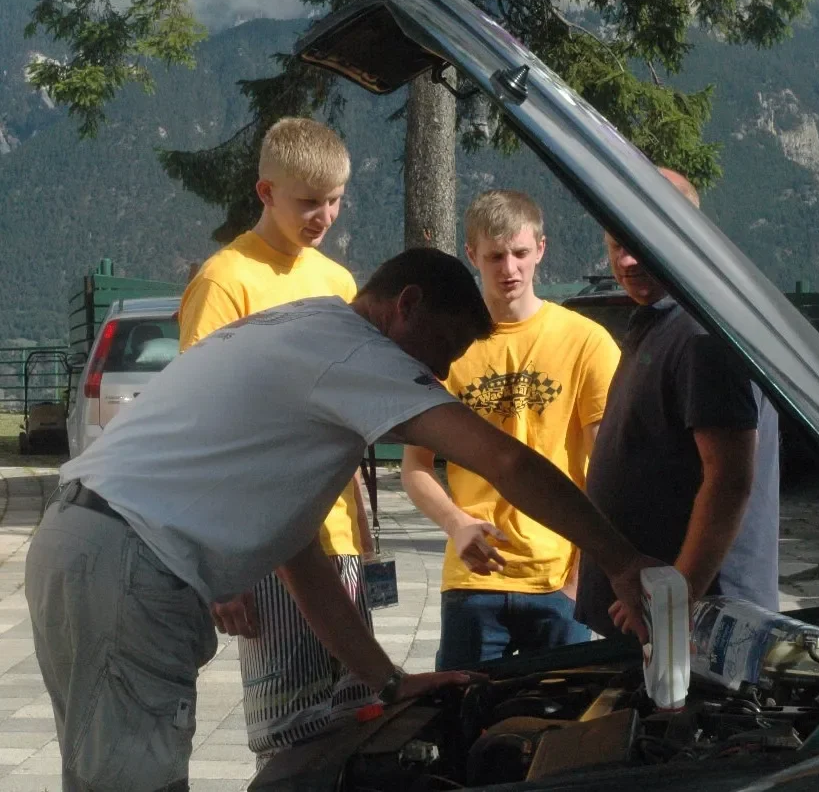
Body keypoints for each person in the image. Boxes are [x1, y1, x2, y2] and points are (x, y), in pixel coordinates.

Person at [27, 248, 656, 792]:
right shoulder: (354, 352)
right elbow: (505, 460)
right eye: (442, 350)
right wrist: (623, 561)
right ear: (405, 305)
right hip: (128, 562)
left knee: (107, 767)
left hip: (91, 545)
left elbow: (296, 550)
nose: (436, 376)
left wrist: (387, 681)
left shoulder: (306, 329)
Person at [177, 116, 379, 761]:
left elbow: (346, 425)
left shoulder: (339, 283)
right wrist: (220, 570)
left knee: (358, 720)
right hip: (265, 551)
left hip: (339, 539)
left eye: (334, 200)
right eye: (307, 201)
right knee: (290, 732)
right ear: (266, 193)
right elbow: (202, 427)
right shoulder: (226, 280)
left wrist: (367, 540)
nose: (323, 215)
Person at [402, 190, 621, 669]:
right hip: (473, 580)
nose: (510, 269)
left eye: (520, 253)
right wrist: (456, 523)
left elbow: (608, 465)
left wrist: (583, 573)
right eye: (496, 256)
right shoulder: (449, 346)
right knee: (465, 726)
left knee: (558, 729)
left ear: (541, 249)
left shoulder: (585, 342)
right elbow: (415, 468)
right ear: (472, 255)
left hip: (558, 579)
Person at [575, 168, 780, 638]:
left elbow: (729, 479)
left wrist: (675, 595)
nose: (626, 261)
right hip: (647, 612)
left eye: (639, 243)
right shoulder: (660, 322)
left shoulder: (702, 336)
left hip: (694, 623)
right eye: (614, 244)